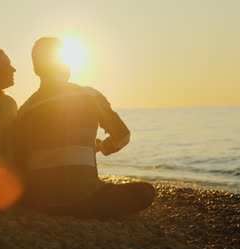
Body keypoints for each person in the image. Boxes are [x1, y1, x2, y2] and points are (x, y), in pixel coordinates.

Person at [11, 37, 156, 218]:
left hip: (40, 201)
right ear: (65, 65)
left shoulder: (25, 110)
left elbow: (19, 158)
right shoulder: (89, 96)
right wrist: (102, 147)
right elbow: (123, 136)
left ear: (36, 69)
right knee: (145, 191)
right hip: (85, 197)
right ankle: (86, 207)